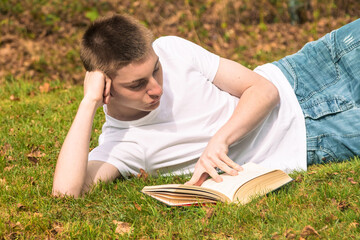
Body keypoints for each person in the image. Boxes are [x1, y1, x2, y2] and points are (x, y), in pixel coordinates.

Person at [52, 14, 360, 197]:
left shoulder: (171, 48)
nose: (156, 88)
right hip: (312, 138)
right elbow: (66, 193)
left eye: (155, 70)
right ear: (106, 88)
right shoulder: (123, 145)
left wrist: (220, 139)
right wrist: (88, 102)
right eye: (137, 84)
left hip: (300, 74)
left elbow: (262, 89)